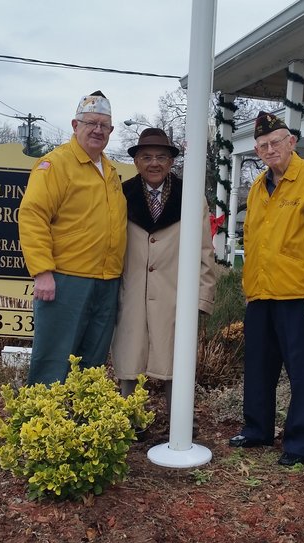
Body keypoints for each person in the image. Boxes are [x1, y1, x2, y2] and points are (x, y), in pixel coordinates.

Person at [229, 111, 304, 466]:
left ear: (291, 142)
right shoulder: (257, 187)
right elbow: (251, 239)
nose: (270, 150)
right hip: (262, 295)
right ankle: (257, 429)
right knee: (258, 369)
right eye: (263, 146)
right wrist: (248, 287)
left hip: (301, 297)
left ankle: (300, 444)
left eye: (275, 143)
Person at [18, 91, 127, 385]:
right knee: (53, 361)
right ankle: (41, 426)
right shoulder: (55, 165)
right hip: (66, 281)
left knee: (91, 366)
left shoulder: (111, 170)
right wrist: (42, 272)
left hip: (106, 281)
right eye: (90, 122)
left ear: (111, 131)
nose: (98, 130)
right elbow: (32, 216)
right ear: (74, 125)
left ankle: (82, 428)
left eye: (104, 125)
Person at [110, 128, 217, 403]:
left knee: (175, 362)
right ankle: (128, 421)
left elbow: (205, 250)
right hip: (131, 291)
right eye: (146, 157)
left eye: (161, 157)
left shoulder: (191, 197)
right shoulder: (121, 195)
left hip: (175, 296)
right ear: (136, 162)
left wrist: (202, 298)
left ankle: (177, 425)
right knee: (130, 358)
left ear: (171, 162)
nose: (154, 163)